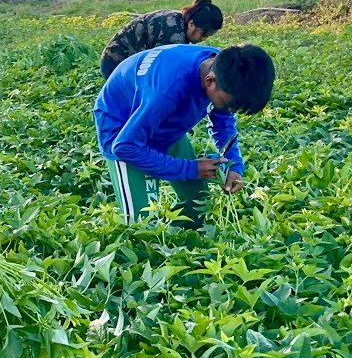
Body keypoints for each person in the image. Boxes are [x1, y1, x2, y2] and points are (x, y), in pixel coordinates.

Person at [95, 43, 274, 229]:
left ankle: (176, 246)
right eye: (229, 105)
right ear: (209, 81)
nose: (231, 111)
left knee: (199, 205)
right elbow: (125, 147)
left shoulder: (227, 70)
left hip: (164, 125)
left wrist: (234, 163)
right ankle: (156, 249)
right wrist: (190, 169)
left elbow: (223, 120)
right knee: (143, 226)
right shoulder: (167, 89)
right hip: (124, 130)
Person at [100, 0, 224, 79]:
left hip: (131, 64)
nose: (203, 39)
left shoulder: (178, 22)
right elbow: (164, 71)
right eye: (203, 34)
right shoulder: (171, 33)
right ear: (191, 24)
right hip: (117, 63)